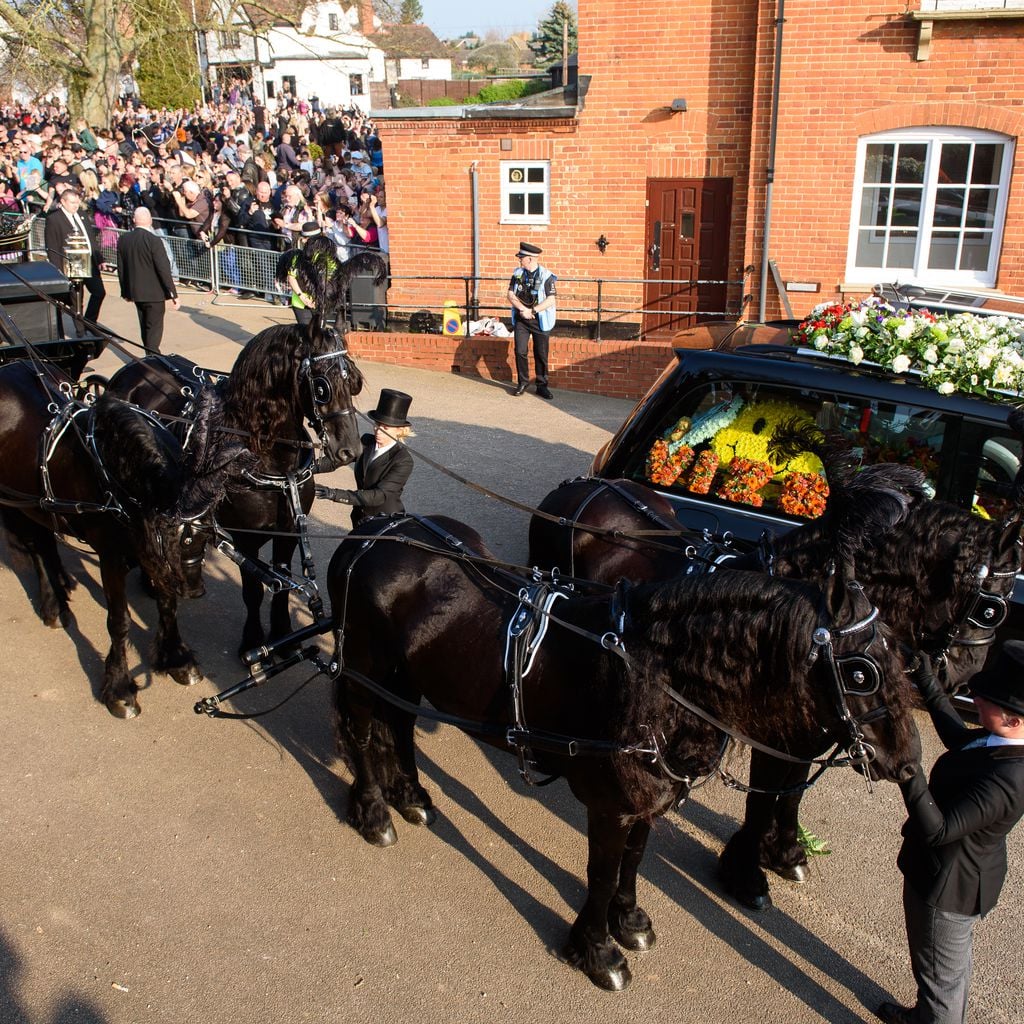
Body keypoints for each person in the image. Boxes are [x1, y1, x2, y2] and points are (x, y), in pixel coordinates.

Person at [878, 644, 1024, 1024]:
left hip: (947, 889)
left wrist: (907, 768)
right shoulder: (1004, 743)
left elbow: (939, 830)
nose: (975, 696)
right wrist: (927, 681)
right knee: (947, 973)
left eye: (986, 698)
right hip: (963, 873)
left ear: (1014, 720)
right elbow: (961, 740)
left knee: (940, 979)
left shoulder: (1008, 780)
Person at [315, 389, 414, 526]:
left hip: (384, 522)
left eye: (385, 428)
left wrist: (334, 494)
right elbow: (340, 458)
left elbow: (379, 496)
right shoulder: (366, 441)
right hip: (359, 518)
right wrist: (308, 468)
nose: (378, 431)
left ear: (399, 430)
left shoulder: (403, 460)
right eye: (377, 425)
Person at [116, 207, 180, 353]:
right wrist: (173, 293)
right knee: (154, 329)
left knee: (144, 326)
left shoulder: (124, 239)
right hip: (154, 293)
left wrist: (125, 291)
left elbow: (121, 268)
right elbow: (163, 269)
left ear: (134, 220)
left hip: (136, 292)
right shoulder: (154, 241)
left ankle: (149, 353)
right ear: (150, 220)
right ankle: (153, 357)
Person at [44, 186, 106, 323]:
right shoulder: (54, 219)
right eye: (72, 203)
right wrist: (59, 271)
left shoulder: (82, 214)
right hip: (70, 265)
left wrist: (99, 258)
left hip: (89, 262)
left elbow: (90, 238)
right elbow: (52, 247)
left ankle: (90, 321)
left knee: (99, 292)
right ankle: (80, 330)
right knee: (77, 300)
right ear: (63, 202)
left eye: (77, 202)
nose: (76, 205)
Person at [507, 241, 556, 400]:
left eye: (521, 258)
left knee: (541, 354)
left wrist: (533, 311)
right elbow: (510, 295)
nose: (519, 260)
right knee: (520, 351)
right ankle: (523, 382)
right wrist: (523, 310)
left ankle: (542, 386)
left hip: (539, 320)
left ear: (530, 259)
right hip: (522, 319)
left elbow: (551, 300)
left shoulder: (546, 276)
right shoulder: (517, 274)